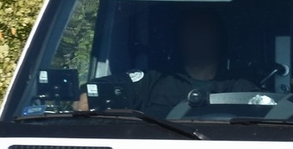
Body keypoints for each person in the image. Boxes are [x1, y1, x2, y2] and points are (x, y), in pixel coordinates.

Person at [75, 9, 254, 117]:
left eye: (203, 32)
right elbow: (88, 97)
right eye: (190, 32)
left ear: (220, 39)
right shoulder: (152, 81)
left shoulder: (242, 88)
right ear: (178, 39)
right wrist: (86, 100)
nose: (196, 39)